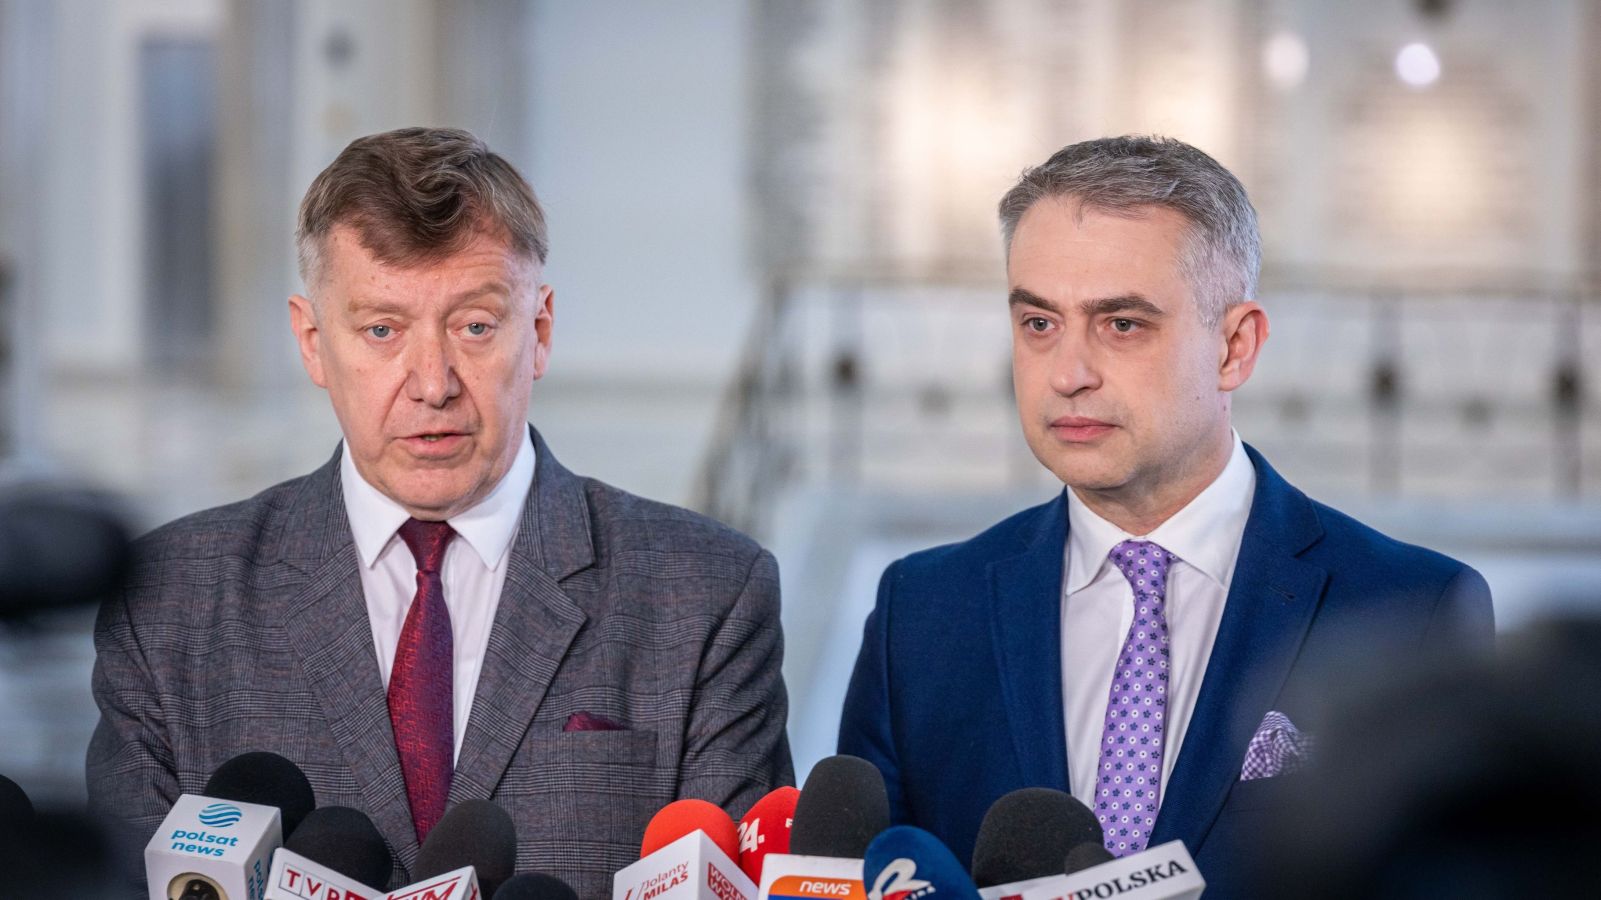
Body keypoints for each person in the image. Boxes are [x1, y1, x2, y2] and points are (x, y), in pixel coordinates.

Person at [88, 127, 793, 894]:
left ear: (539, 331)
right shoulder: (170, 600)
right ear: (313, 342)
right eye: (382, 330)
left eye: (475, 326)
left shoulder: (706, 593)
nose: (432, 383)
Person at [835, 136, 1492, 898]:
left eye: (1121, 324)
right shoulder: (920, 614)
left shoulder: (1410, 611)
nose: (1068, 374)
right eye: (1039, 323)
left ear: (1234, 347)